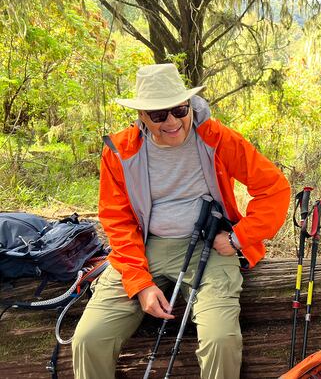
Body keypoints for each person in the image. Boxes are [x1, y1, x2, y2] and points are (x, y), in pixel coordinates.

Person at [72, 63, 291, 379]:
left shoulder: (216, 139)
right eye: (159, 115)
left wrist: (238, 238)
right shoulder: (120, 151)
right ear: (142, 116)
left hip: (210, 247)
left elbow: (274, 187)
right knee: (88, 339)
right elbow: (116, 219)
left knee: (221, 339)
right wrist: (141, 284)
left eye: (179, 110)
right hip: (141, 251)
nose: (173, 122)